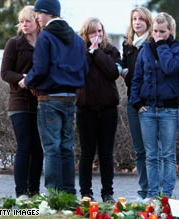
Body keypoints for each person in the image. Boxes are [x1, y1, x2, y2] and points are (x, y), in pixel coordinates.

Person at [19, 0, 89, 195]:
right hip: (70, 99)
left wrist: (28, 81)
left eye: (39, 14)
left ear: (48, 14)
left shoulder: (46, 36)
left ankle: (53, 194)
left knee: (51, 149)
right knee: (67, 148)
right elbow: (84, 69)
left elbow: (40, 69)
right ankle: (69, 193)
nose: (37, 18)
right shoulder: (76, 38)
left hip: (49, 99)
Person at [130, 12, 179, 201]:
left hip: (168, 110)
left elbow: (171, 67)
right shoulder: (145, 49)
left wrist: (162, 45)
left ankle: (166, 196)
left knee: (168, 155)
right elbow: (137, 77)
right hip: (147, 110)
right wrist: (136, 102)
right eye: (155, 31)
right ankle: (152, 195)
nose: (158, 35)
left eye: (162, 31)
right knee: (151, 155)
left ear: (170, 31)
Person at [0, 5, 43, 199]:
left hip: (41, 102)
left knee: (38, 148)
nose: (24, 24)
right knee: (24, 146)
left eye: (28, 20)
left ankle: (34, 191)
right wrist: (22, 79)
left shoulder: (45, 43)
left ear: (37, 22)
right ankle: (21, 193)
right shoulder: (14, 43)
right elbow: (5, 72)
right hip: (19, 102)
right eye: (22, 21)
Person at [76, 17, 120, 203]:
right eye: (93, 32)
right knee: (87, 152)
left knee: (106, 153)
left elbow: (113, 72)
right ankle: (86, 191)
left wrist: (97, 54)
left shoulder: (111, 51)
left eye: (100, 31)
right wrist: (89, 52)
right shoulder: (79, 52)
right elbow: (79, 71)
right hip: (86, 109)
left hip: (108, 109)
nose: (97, 35)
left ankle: (107, 192)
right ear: (86, 34)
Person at [121, 6, 153, 200]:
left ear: (148, 21)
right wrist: (122, 70)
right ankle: (143, 191)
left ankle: (155, 190)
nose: (137, 22)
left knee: (152, 150)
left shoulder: (153, 43)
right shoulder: (128, 45)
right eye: (134, 19)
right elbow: (126, 70)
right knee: (139, 150)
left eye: (141, 19)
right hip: (133, 102)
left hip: (150, 103)